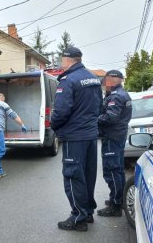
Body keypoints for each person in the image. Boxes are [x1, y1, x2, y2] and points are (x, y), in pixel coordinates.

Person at [51, 47, 103, 231]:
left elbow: (61, 111)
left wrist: (54, 126)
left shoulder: (68, 80)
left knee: (73, 176)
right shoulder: (93, 78)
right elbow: (99, 107)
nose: (60, 62)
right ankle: (87, 212)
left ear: (68, 60)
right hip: (90, 135)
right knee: (88, 176)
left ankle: (78, 218)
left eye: (61, 59)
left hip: (74, 136)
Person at [97, 70, 132, 217]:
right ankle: (118, 199)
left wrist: (94, 119)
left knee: (111, 171)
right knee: (117, 170)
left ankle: (116, 206)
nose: (105, 84)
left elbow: (110, 118)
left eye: (106, 80)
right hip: (117, 137)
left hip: (112, 137)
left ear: (113, 80)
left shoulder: (116, 97)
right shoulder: (122, 94)